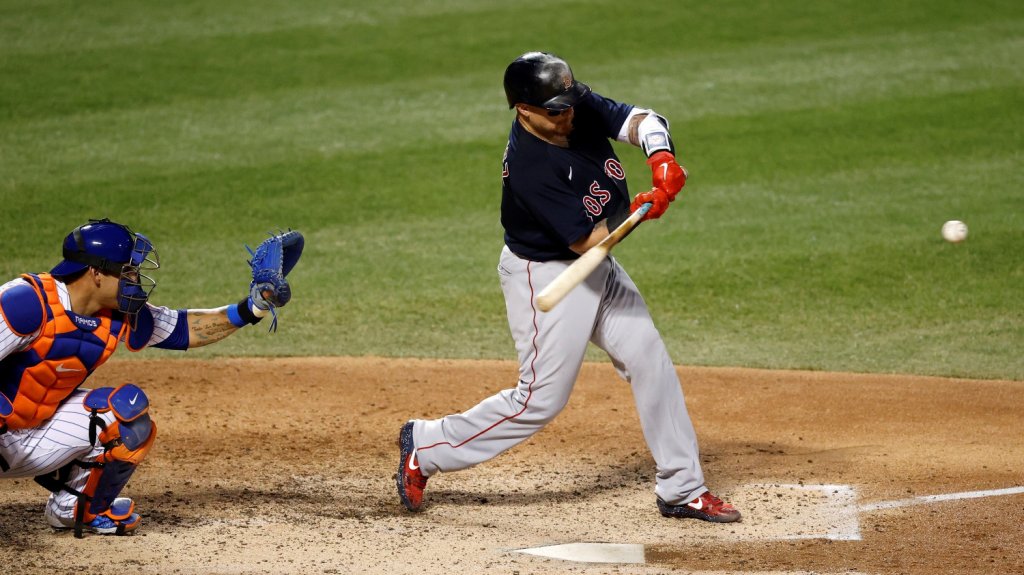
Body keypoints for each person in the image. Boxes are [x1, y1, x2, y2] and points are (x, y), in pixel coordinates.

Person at [396, 52, 740, 523]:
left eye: (569, 104)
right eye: (555, 110)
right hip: (548, 273)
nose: (569, 115)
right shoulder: (530, 165)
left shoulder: (570, 105)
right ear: (524, 110)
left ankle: (682, 488)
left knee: (649, 358)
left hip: (597, 265)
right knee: (538, 401)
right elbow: (587, 240)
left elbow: (642, 120)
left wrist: (660, 157)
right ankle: (428, 445)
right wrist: (643, 209)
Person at [0, 218, 297, 536]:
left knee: (126, 415)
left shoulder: (119, 313)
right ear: (96, 273)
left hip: (35, 434)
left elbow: (184, 329)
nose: (135, 279)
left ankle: (77, 508)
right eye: (127, 271)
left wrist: (254, 306)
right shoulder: (25, 304)